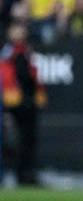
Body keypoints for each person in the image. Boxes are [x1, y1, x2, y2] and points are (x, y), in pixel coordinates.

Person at [0, 20, 45, 184]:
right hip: (14, 100)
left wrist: (37, 95)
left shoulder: (26, 50)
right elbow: (7, 75)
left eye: (21, 30)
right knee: (18, 140)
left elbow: (32, 76)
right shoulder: (9, 51)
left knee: (29, 139)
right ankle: (20, 174)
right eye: (16, 30)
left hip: (28, 100)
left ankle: (28, 173)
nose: (19, 33)